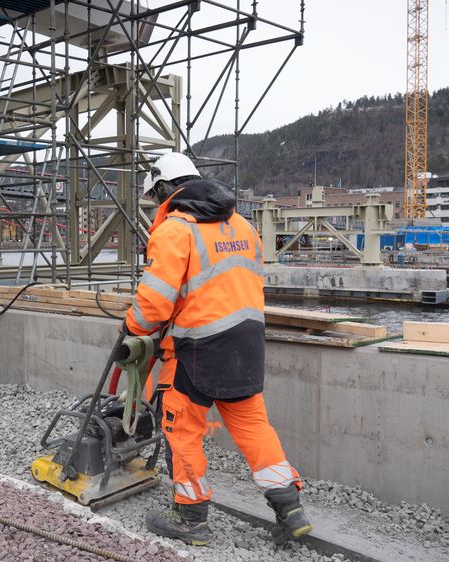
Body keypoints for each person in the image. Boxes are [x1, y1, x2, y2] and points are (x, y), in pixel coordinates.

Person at [123, 152, 312, 546]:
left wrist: (133, 327)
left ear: (164, 188)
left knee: (181, 428)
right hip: (247, 343)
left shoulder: (176, 229)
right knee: (253, 427)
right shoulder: (241, 224)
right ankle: (290, 510)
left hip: (199, 349)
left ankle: (191, 518)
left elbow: (155, 302)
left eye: (156, 197)